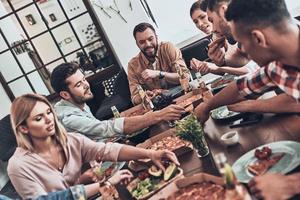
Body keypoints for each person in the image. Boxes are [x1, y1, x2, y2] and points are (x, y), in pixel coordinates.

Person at [7, 93, 180, 199]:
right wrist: (103, 185)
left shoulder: (71, 141)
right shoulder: (18, 166)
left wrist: (150, 154)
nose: (48, 120)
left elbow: (107, 150)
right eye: (38, 118)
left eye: (48, 113)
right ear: (23, 128)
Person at [194, 0, 300, 123]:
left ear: (258, 38)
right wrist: (207, 106)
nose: (243, 50)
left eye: (243, 43)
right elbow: (241, 87)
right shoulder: (279, 66)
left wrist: (251, 105)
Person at [50, 62, 185, 141]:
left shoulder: (76, 103)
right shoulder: (69, 119)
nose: (86, 85)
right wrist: (158, 115)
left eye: (84, 79)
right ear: (65, 94)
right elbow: (106, 128)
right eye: (78, 84)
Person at [127, 22, 190, 105]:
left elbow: (186, 76)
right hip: (158, 106)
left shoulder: (168, 48)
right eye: (142, 42)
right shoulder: (133, 65)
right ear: (137, 44)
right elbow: (134, 98)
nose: (148, 44)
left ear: (156, 37)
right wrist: (144, 96)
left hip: (181, 96)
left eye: (150, 39)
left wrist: (160, 74)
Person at [189, 0, 256, 76]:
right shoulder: (218, 36)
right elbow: (244, 57)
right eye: (196, 22)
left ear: (223, 11)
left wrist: (216, 66)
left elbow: (251, 68)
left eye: (203, 17)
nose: (200, 24)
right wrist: (222, 62)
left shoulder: (245, 27)